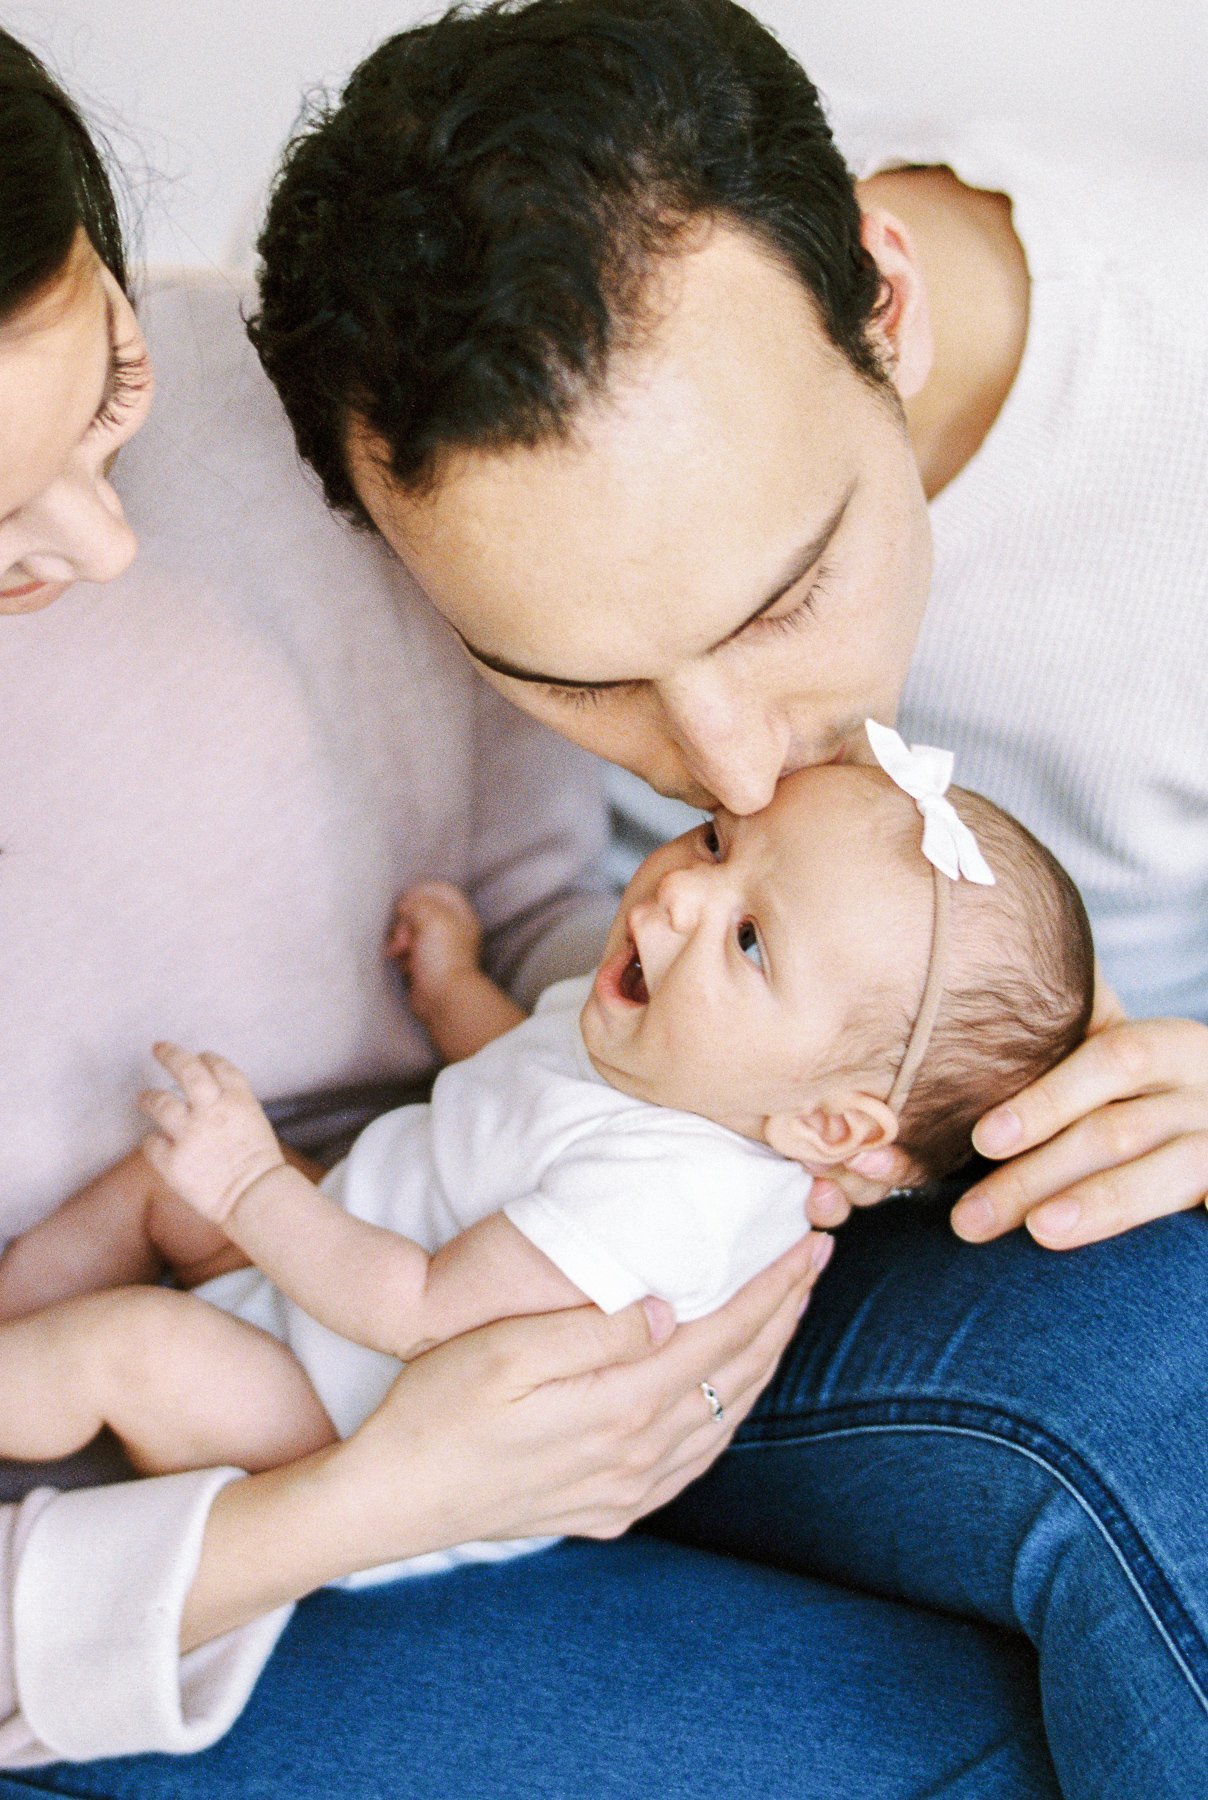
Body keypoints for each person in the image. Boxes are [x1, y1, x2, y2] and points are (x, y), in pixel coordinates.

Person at [236, 1, 1208, 1794]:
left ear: (883, 302)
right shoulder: (419, 463)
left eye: (780, 601)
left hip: (1035, 1209)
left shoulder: (1174, 398)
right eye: (581, 680)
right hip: (558, 1220)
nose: (734, 770)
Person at [0, 22, 890, 1787]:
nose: (107, 549)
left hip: (481, 1279)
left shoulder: (336, 423)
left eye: (107, 387)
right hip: (180, 1539)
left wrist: (783, 1083)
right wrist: (377, 1499)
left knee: (1151, 1354)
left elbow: (541, 905)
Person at [0, 745, 1092, 1527]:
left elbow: (415, 1310)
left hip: (337, 1419)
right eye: (717, 840)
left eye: (751, 939)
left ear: (826, 1123)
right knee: (159, 1183)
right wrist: (452, 991)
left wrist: (248, 1186)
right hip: (320, 1262)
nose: (680, 894)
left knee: (129, 1346)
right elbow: (527, 1078)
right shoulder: (666, 1041)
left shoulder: (664, 1205)